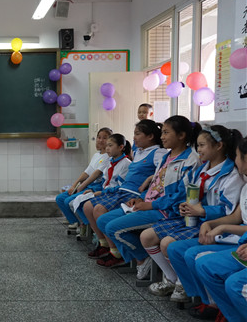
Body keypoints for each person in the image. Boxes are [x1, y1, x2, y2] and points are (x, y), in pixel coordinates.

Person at [142, 126, 243, 300]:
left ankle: (183, 283)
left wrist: (203, 211)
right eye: (198, 145)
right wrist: (183, 206)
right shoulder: (201, 170)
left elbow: (230, 211)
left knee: (167, 243)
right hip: (192, 219)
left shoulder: (232, 176)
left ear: (219, 146)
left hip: (211, 223)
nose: (198, 150)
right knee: (147, 236)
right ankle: (172, 278)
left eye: (202, 145)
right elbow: (184, 191)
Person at [97, 116, 202, 271]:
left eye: (166, 132)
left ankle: (142, 258)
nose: (162, 137)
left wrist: (150, 205)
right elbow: (155, 184)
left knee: (113, 227)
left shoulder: (190, 161)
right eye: (162, 132)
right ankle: (142, 256)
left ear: (181, 135)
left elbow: (180, 196)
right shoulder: (166, 157)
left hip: (165, 211)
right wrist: (140, 198)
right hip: (150, 204)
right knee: (103, 220)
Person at [83, 120, 167, 266]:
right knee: (87, 206)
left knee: (99, 210)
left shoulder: (158, 153)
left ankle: (118, 253)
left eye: (137, 134)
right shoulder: (139, 152)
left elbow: (163, 174)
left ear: (150, 136)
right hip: (122, 190)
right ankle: (105, 246)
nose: (134, 138)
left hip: (134, 194)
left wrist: (149, 180)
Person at [76, 133, 132, 241]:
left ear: (121, 147)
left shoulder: (126, 164)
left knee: (97, 209)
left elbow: (121, 187)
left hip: (117, 194)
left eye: (110, 146)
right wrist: (94, 190)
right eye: (107, 146)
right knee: (86, 206)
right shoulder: (110, 162)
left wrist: (102, 193)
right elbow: (105, 182)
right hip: (107, 192)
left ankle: (110, 245)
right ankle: (101, 240)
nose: (107, 149)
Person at [56, 127, 111, 233]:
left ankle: (87, 226)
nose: (101, 140)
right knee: (60, 198)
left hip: (96, 187)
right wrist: (74, 185)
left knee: (69, 200)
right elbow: (87, 172)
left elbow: (95, 174)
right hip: (88, 185)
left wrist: (81, 186)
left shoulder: (108, 157)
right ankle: (74, 221)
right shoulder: (96, 155)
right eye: (99, 137)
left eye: (105, 138)